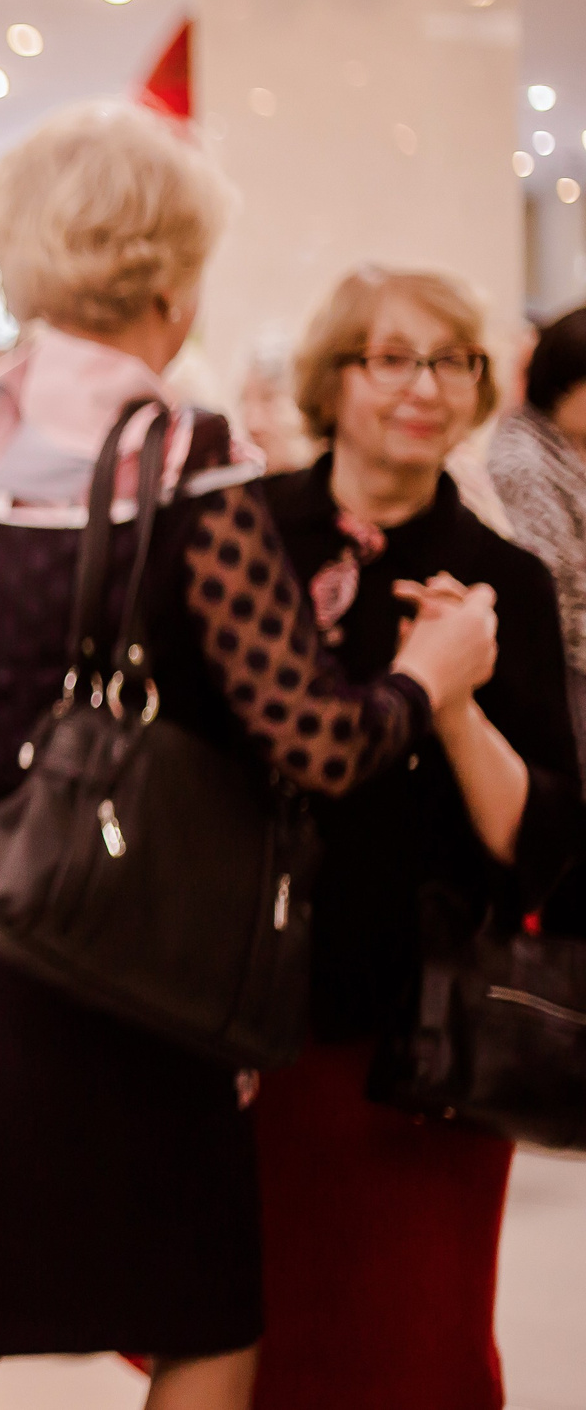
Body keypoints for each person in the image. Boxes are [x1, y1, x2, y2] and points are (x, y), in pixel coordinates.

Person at [0, 104, 499, 1410]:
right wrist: (429, 677)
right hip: (120, 943)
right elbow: (312, 734)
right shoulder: (189, 463)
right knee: (204, 1310)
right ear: (175, 276)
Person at [251, 269, 582, 1410]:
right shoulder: (241, 541)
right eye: (391, 357)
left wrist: (450, 701)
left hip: (422, 1038)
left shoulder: (506, 583)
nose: (424, 387)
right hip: (247, 1021)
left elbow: (536, 845)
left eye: (450, 362)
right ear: (333, 379)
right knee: (255, 1346)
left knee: (418, 1351)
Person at [489, 302, 586, 776]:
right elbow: (554, 589)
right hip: (567, 678)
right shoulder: (523, 459)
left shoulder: (573, 449)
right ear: (567, 383)